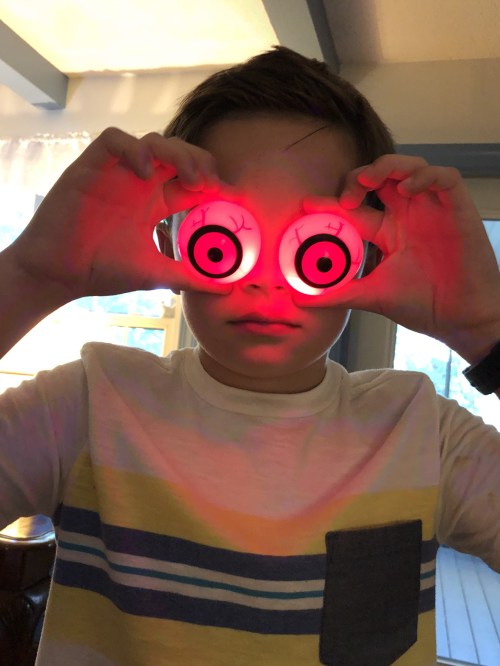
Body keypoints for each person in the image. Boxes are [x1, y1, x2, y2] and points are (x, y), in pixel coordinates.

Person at [0, 46, 498, 665]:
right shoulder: (84, 408)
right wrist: (28, 278)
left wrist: (489, 330)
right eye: (222, 241)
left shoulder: (426, 436)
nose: (264, 284)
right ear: (170, 238)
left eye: (317, 249)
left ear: (368, 255)